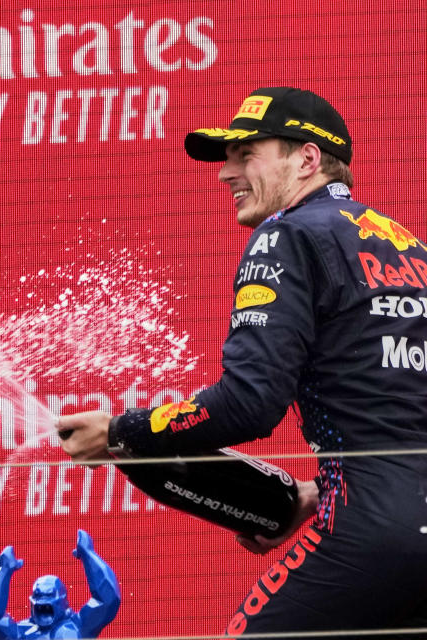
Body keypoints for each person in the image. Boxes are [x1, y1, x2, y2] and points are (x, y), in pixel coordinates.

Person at [58, 86, 427, 637]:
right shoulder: (409, 248)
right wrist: (316, 492)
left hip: (372, 534)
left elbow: (249, 404)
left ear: (306, 158)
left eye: (246, 154)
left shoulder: (285, 236)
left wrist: (121, 430)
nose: (225, 174)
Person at [0, 529, 121, 639]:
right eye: (40, 602)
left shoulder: (80, 625)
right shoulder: (22, 633)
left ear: (62, 602)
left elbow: (108, 600)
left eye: (48, 602)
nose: (43, 607)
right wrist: (4, 571)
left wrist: (89, 555)